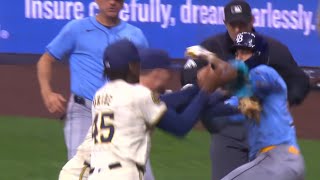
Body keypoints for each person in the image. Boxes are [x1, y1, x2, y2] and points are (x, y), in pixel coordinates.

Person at [180, 1, 310, 179]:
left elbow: (298, 79)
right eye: (233, 25)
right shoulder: (214, 44)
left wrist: (290, 99)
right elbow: (191, 75)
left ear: (252, 21)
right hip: (230, 131)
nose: (238, 29)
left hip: (268, 139)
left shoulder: (270, 54)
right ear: (225, 23)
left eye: (242, 24)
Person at [35, 0, 158, 179]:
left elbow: (146, 72)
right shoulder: (76, 29)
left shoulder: (135, 35)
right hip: (83, 111)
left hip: (124, 113)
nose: (112, 2)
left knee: (142, 173)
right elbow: (46, 60)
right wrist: (47, 92)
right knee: (81, 173)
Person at [88, 42, 232, 179]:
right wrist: (206, 88)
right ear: (132, 66)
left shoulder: (100, 95)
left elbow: (167, 102)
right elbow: (180, 126)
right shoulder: (140, 95)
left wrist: (198, 90)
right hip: (124, 174)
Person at [203, 31, 305, 180]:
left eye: (244, 53)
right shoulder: (242, 93)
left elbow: (252, 82)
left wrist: (220, 71)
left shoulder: (265, 73)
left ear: (258, 54)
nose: (239, 58)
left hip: (275, 160)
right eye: (237, 54)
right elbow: (224, 110)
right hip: (284, 164)